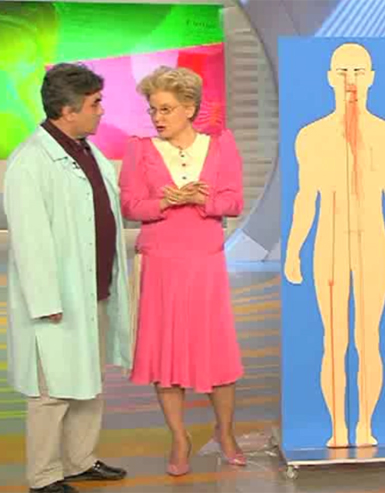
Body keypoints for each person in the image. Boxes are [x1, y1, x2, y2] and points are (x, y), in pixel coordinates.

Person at [4, 63, 131, 493]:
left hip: (92, 290)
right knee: (51, 391)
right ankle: (43, 476)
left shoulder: (86, 151)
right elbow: (29, 240)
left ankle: (80, 460)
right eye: (95, 103)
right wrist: (46, 301)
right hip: (57, 299)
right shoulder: (30, 162)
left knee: (88, 381)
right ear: (67, 110)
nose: (102, 110)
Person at [283, 43, 385, 448]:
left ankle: (365, 426)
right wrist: (294, 248)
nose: (351, 80)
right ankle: (339, 427)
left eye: (358, 71)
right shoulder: (311, 137)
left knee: (368, 338)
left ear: (371, 77)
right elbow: (305, 197)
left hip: (372, 241)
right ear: (330, 77)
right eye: (343, 71)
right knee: (334, 339)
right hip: (329, 243)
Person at [119, 66, 245, 476]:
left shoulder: (220, 146)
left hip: (204, 260)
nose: (157, 118)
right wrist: (166, 201)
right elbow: (130, 206)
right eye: (153, 109)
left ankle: (226, 432)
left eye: (166, 109)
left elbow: (233, 201)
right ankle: (179, 438)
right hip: (161, 262)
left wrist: (203, 200)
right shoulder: (140, 150)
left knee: (216, 351)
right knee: (166, 354)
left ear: (189, 108)